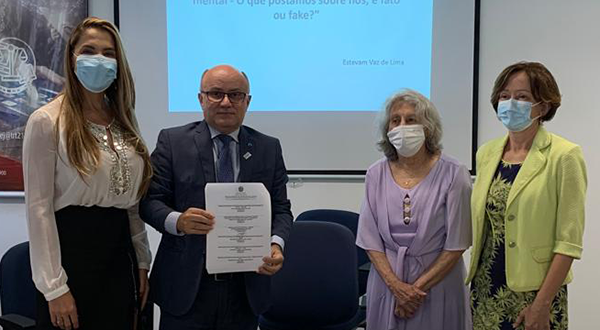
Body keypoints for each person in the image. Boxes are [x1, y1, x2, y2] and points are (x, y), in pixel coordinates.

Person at [139, 64, 293, 330]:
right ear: (201, 98)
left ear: (248, 101)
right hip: (186, 286)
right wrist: (178, 221)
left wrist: (276, 243)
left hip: (245, 288)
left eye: (235, 95)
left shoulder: (269, 147)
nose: (225, 102)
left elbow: (281, 209)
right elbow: (149, 202)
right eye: (215, 94)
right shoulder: (172, 142)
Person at [23, 17, 153, 330]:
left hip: (119, 260)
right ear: (72, 57)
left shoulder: (124, 122)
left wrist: (141, 263)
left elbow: (132, 206)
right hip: (72, 262)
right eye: (90, 50)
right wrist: (54, 287)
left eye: (109, 54)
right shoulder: (47, 121)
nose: (100, 60)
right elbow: (38, 209)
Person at [467, 62, 587, 330]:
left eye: (522, 97)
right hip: (486, 286)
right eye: (504, 95)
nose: (511, 103)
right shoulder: (487, 153)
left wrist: (541, 304)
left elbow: (568, 242)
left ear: (543, 107)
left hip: (535, 293)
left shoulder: (564, 156)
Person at [356, 89, 472, 330]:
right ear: (387, 130)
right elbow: (370, 240)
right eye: (395, 120)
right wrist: (396, 287)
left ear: (427, 128)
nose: (402, 126)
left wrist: (413, 291)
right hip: (387, 286)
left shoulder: (454, 172)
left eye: (411, 120)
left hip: (438, 286)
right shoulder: (375, 173)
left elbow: (457, 243)